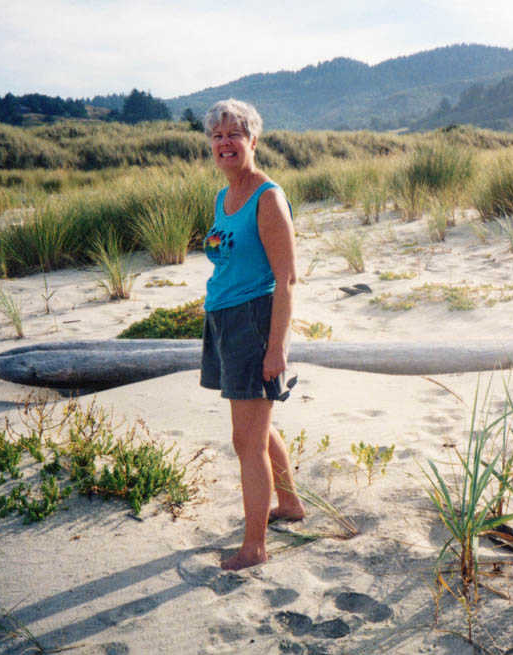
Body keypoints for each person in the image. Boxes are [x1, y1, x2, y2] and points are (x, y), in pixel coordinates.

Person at [200, 99, 305, 570]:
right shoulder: (224, 197)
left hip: (254, 321)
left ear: (253, 141)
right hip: (223, 319)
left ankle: (255, 548)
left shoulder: (267, 197)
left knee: (246, 442)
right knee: (257, 428)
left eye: (234, 134)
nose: (225, 143)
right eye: (218, 135)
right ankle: (290, 504)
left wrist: (276, 348)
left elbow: (285, 278)